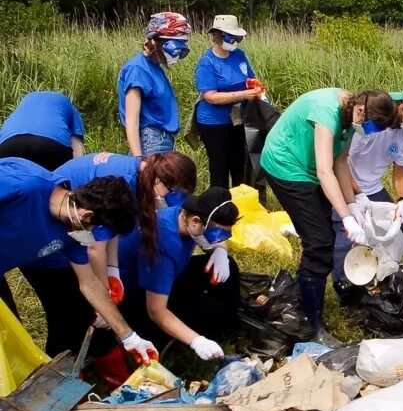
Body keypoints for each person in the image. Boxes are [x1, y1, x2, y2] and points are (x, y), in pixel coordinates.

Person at [20, 151, 198, 364]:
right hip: (45, 243)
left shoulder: (140, 178)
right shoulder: (123, 183)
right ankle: (57, 368)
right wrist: (103, 294)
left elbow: (110, 229)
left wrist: (112, 269)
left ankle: (79, 360)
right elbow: (95, 248)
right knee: (65, 308)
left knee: (81, 303)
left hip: (68, 230)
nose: (174, 201)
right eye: (175, 193)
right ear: (159, 180)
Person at [260, 88, 398, 337]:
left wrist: (354, 201)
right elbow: (325, 171)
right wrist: (345, 215)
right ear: (360, 111)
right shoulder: (327, 113)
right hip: (286, 165)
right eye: (370, 127)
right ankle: (311, 324)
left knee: (325, 237)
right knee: (319, 241)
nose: (368, 133)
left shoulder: (352, 118)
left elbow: (340, 162)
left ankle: (320, 297)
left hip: (312, 168)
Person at [0, 158, 155, 371]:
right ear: (87, 215)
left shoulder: (72, 234)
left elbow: (89, 284)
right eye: (97, 232)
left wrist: (129, 336)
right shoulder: (25, 186)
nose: (93, 239)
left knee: (11, 338)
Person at [89, 187, 240, 376]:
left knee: (230, 267)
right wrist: (196, 341)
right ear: (195, 222)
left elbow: (215, 233)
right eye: (217, 235)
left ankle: (229, 333)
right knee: (207, 313)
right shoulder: (161, 245)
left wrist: (220, 250)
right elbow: (156, 311)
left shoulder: (184, 209)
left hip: (171, 273)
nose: (220, 240)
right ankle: (204, 340)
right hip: (136, 294)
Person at [331, 84, 403, 292]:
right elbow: (341, 163)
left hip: (374, 187)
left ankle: (379, 278)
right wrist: (357, 197)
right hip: (347, 185)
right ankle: (345, 287)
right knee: (349, 236)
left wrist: (402, 201)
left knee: (395, 229)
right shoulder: (370, 124)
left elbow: (400, 170)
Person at [194, 14, 264, 189]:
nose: (234, 41)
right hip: (214, 123)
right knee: (220, 169)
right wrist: (243, 95)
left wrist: (256, 88)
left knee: (239, 166)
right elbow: (210, 96)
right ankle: (220, 209)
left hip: (238, 120)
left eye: (236, 37)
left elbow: (250, 78)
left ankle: (240, 206)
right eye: (229, 36)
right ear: (217, 36)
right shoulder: (207, 62)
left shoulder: (239, 55)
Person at [120, 12, 191, 156]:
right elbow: (131, 120)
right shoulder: (137, 69)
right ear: (156, 41)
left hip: (162, 139)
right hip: (151, 142)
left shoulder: (154, 66)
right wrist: (138, 159)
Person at [0, 91, 86, 170]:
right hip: (51, 144)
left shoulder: (20, 109)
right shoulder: (67, 105)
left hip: (9, 144)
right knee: (57, 183)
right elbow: (77, 150)